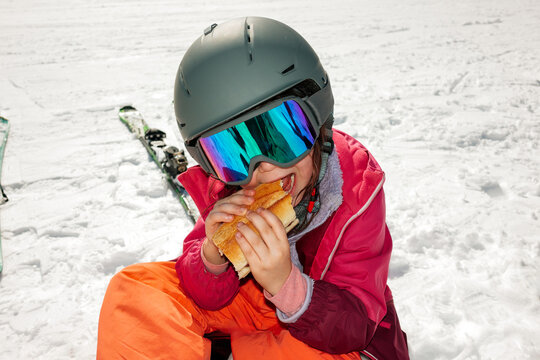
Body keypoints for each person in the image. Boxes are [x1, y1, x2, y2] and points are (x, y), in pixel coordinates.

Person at [97, 16, 409, 360]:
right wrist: (211, 258)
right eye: (232, 152)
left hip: (331, 331)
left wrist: (287, 285)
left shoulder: (354, 193)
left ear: (319, 121)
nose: (260, 168)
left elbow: (357, 324)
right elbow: (201, 290)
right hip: (250, 310)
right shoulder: (233, 188)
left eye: (280, 136)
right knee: (137, 292)